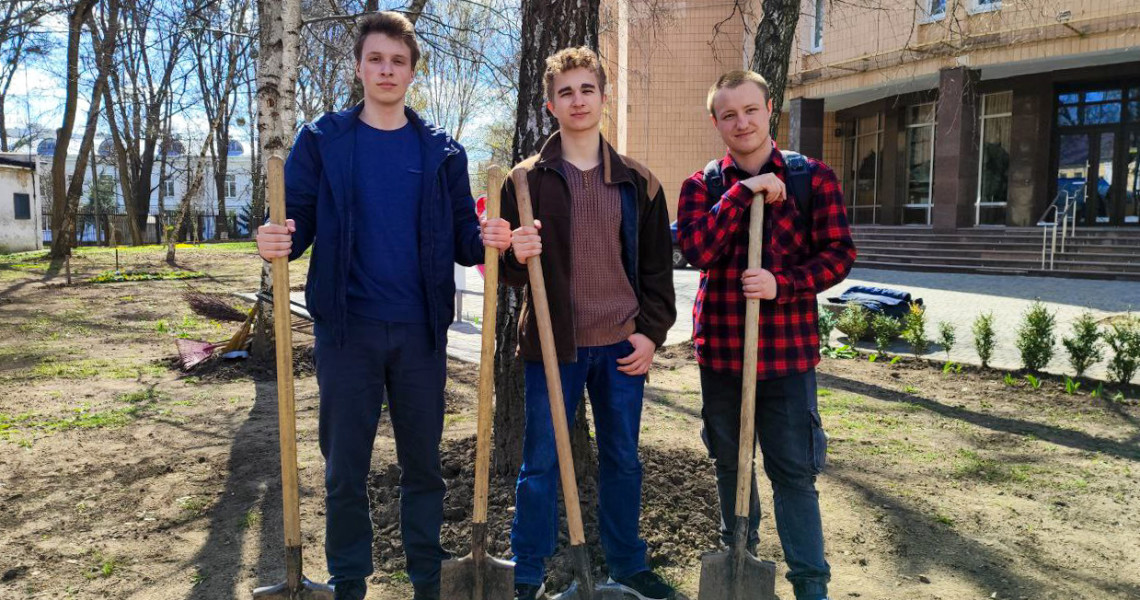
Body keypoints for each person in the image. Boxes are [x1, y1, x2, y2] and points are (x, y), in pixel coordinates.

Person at [255, 11, 511, 600]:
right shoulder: (323, 142)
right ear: (359, 67)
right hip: (348, 331)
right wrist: (273, 238)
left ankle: (427, 576)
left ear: (413, 72)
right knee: (346, 467)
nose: (387, 70)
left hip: (422, 334)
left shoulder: (443, 152)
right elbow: (293, 223)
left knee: (423, 467)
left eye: (398, 61)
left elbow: (466, 238)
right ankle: (348, 579)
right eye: (376, 59)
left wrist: (492, 236)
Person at [499, 46, 678, 600]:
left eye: (587, 90)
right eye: (566, 92)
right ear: (550, 104)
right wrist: (512, 253)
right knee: (541, 462)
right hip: (556, 346)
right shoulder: (525, 181)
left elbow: (656, 271)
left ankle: (627, 564)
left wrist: (651, 333)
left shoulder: (638, 182)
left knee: (622, 459)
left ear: (603, 98)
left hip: (622, 346)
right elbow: (508, 271)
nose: (577, 101)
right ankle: (527, 572)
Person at [676, 69, 857, 600]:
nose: (742, 122)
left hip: (786, 358)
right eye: (728, 114)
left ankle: (811, 584)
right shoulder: (701, 186)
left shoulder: (812, 179)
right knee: (732, 468)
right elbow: (698, 251)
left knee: (794, 474)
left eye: (751, 110)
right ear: (716, 122)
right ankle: (741, 563)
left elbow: (839, 255)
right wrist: (744, 192)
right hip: (724, 357)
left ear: (769, 109)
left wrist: (783, 284)